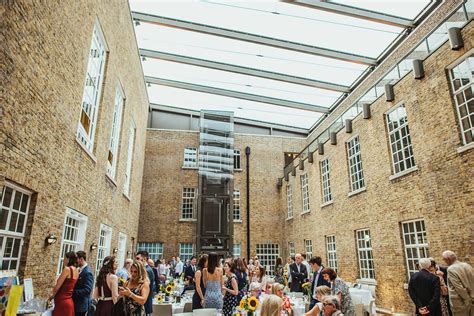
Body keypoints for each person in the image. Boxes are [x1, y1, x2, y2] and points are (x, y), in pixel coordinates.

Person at [442, 250, 473, 316]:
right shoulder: (467, 265)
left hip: (460, 303)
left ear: (448, 259)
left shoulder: (451, 269)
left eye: (444, 259)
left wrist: (467, 301)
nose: (444, 261)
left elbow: (459, 287)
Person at [50, 251, 79, 316]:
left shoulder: (67, 269)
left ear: (68, 259)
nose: (63, 260)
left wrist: (51, 297)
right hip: (69, 301)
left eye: (64, 258)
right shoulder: (77, 271)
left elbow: (57, 287)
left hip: (62, 302)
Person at [73, 251, 93, 316]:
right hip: (76, 304)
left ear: (81, 259)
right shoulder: (79, 269)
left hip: (81, 305)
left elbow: (87, 290)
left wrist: (73, 292)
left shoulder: (87, 272)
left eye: (76, 259)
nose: (75, 262)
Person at [136, 250, 155, 315]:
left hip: (145, 304)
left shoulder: (147, 270)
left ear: (144, 259)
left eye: (138, 258)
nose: (136, 261)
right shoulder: (145, 269)